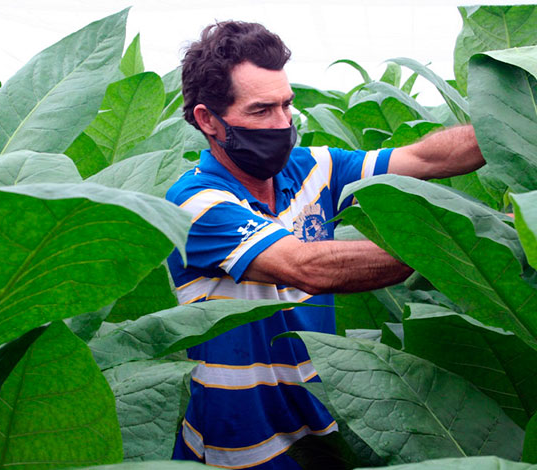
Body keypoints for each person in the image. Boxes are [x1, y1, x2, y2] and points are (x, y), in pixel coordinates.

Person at [165, 21, 484, 469]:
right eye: (261, 112)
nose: (282, 124)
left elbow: (426, 157)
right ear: (207, 120)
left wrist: (516, 124)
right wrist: (478, 242)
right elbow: (307, 267)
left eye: (287, 105)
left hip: (325, 429)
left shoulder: (315, 167)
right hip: (241, 446)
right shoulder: (194, 202)